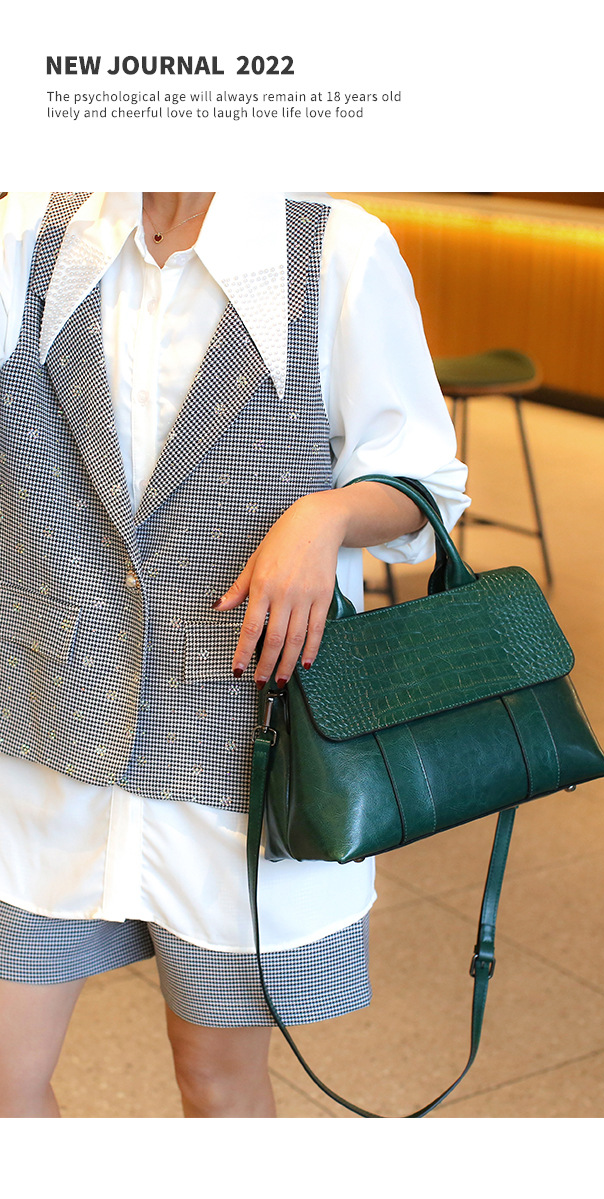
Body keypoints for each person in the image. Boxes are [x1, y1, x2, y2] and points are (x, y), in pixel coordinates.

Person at [0, 191, 468, 1117]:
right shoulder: (31, 232)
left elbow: (425, 488)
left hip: (236, 748)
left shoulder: (336, 250)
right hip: (48, 734)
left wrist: (327, 514)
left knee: (216, 1082)